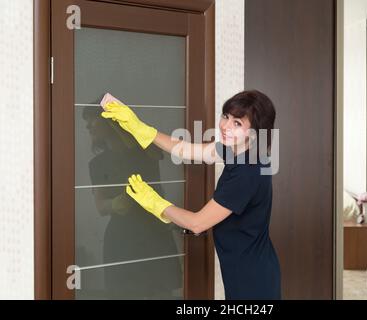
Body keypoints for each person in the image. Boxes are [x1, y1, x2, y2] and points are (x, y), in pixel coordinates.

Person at [101, 90, 281, 300]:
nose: (225, 126)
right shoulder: (240, 151)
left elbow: (197, 223)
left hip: (252, 279)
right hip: (247, 266)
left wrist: (155, 203)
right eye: (226, 116)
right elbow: (186, 150)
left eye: (237, 123)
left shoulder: (246, 173)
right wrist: (140, 128)